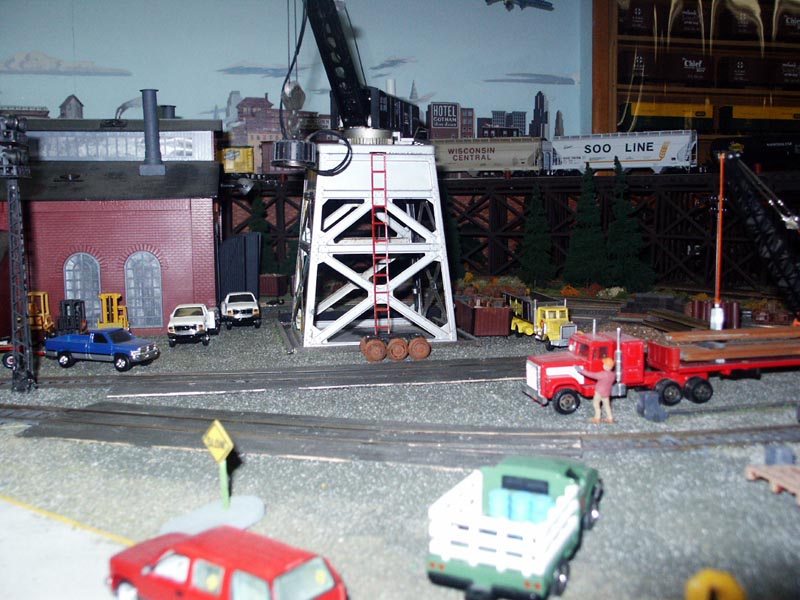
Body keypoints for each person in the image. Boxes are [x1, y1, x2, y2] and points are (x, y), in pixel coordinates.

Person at [577, 356, 616, 424]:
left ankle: (597, 418)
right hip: (607, 393)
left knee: (596, 403)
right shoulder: (613, 375)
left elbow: (591, 375)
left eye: (604, 364)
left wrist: (581, 371)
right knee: (607, 405)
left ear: (606, 366)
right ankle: (610, 418)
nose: (603, 365)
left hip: (599, 392)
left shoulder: (602, 374)